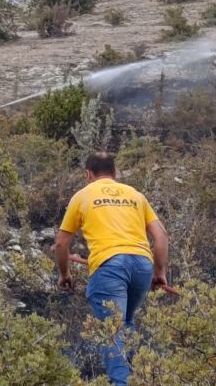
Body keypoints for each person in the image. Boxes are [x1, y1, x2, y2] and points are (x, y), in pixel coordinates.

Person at [54, 151, 169, 386]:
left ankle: (122, 383)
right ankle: (142, 379)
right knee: (126, 324)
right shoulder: (136, 195)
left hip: (109, 266)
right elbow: (161, 236)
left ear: (88, 175)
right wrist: (159, 272)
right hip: (142, 265)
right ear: (115, 173)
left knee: (111, 332)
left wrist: (64, 274)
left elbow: (61, 243)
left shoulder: (83, 196)